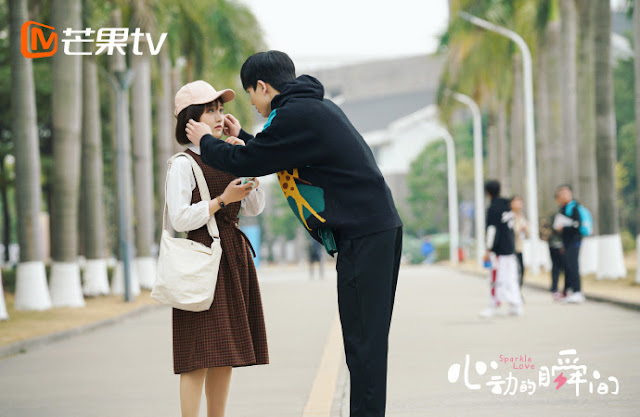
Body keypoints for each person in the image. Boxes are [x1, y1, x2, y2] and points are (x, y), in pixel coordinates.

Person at [185, 50, 403, 417]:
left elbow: (252, 161)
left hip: (366, 235)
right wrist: (243, 137)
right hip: (371, 231)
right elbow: (275, 152)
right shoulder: (307, 109)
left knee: (364, 342)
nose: (251, 104)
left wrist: (207, 141)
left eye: (250, 94)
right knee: (364, 340)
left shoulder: (295, 115)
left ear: (262, 86)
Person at [168, 80, 269, 417]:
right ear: (190, 120)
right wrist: (221, 200)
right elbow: (180, 218)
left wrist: (246, 165)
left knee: (226, 352)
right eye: (209, 110)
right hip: (200, 258)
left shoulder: (229, 155)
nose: (218, 116)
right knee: (196, 355)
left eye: (220, 109)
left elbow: (254, 207)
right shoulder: (183, 164)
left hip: (233, 257)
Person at [479, 180, 523, 318]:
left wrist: (488, 249)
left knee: (496, 277)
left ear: (487, 192)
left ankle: (494, 304)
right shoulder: (507, 206)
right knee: (511, 278)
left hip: (499, 250)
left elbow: (492, 230)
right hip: (510, 248)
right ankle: (516, 305)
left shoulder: (493, 208)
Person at [554, 185, 585, 303]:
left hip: (574, 241)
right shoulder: (563, 208)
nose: (563, 196)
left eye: (565, 193)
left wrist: (564, 228)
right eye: (560, 194)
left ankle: (578, 291)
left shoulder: (574, 207)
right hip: (566, 243)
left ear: (570, 193)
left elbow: (577, 225)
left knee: (573, 266)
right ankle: (569, 291)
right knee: (568, 267)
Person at [541, 213, 566, 300]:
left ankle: (557, 288)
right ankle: (558, 288)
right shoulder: (557, 217)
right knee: (558, 267)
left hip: (555, 245)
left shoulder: (554, 217)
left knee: (557, 267)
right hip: (556, 245)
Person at [510, 195, 529, 288]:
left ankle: (518, 290)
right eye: (516, 201)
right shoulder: (509, 216)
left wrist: (526, 229)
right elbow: (510, 231)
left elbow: (527, 233)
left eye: (520, 202)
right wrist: (520, 228)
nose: (519, 204)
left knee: (521, 270)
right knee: (513, 272)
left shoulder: (522, 216)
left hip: (519, 248)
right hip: (511, 248)